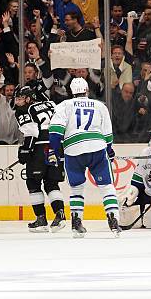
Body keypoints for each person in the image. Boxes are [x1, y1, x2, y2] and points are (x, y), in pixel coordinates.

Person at [49, 77, 120, 238]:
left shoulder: (64, 105)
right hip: (97, 147)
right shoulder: (100, 105)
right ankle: (113, 219)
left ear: (70, 92)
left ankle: (76, 222)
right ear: (87, 90)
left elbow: (54, 133)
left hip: (73, 150)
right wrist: (109, 150)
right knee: (106, 186)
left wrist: (56, 152)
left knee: (76, 188)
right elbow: (108, 135)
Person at [14, 86, 66, 233]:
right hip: (56, 146)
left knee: (33, 182)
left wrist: (25, 150)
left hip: (39, 149)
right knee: (51, 182)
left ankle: (41, 220)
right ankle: (60, 215)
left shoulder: (24, 110)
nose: (17, 102)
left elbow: (31, 132)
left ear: (28, 99)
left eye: (20, 99)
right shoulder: (51, 104)